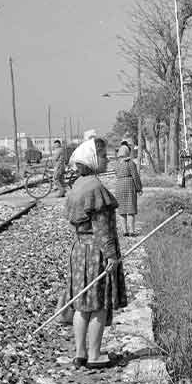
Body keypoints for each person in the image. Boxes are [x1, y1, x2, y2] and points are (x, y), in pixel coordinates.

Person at [61, 136, 127, 370]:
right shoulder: (96, 189)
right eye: (104, 156)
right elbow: (102, 228)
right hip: (96, 253)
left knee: (81, 304)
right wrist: (111, 255)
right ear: (93, 159)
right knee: (98, 305)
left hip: (79, 249)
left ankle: (80, 353)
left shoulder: (78, 185)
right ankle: (94, 354)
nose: (107, 159)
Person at [113, 141, 143, 237]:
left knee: (121, 210)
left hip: (119, 185)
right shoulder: (130, 163)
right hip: (129, 185)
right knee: (130, 209)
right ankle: (132, 231)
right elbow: (135, 176)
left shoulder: (117, 164)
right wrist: (139, 188)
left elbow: (116, 174)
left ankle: (124, 231)